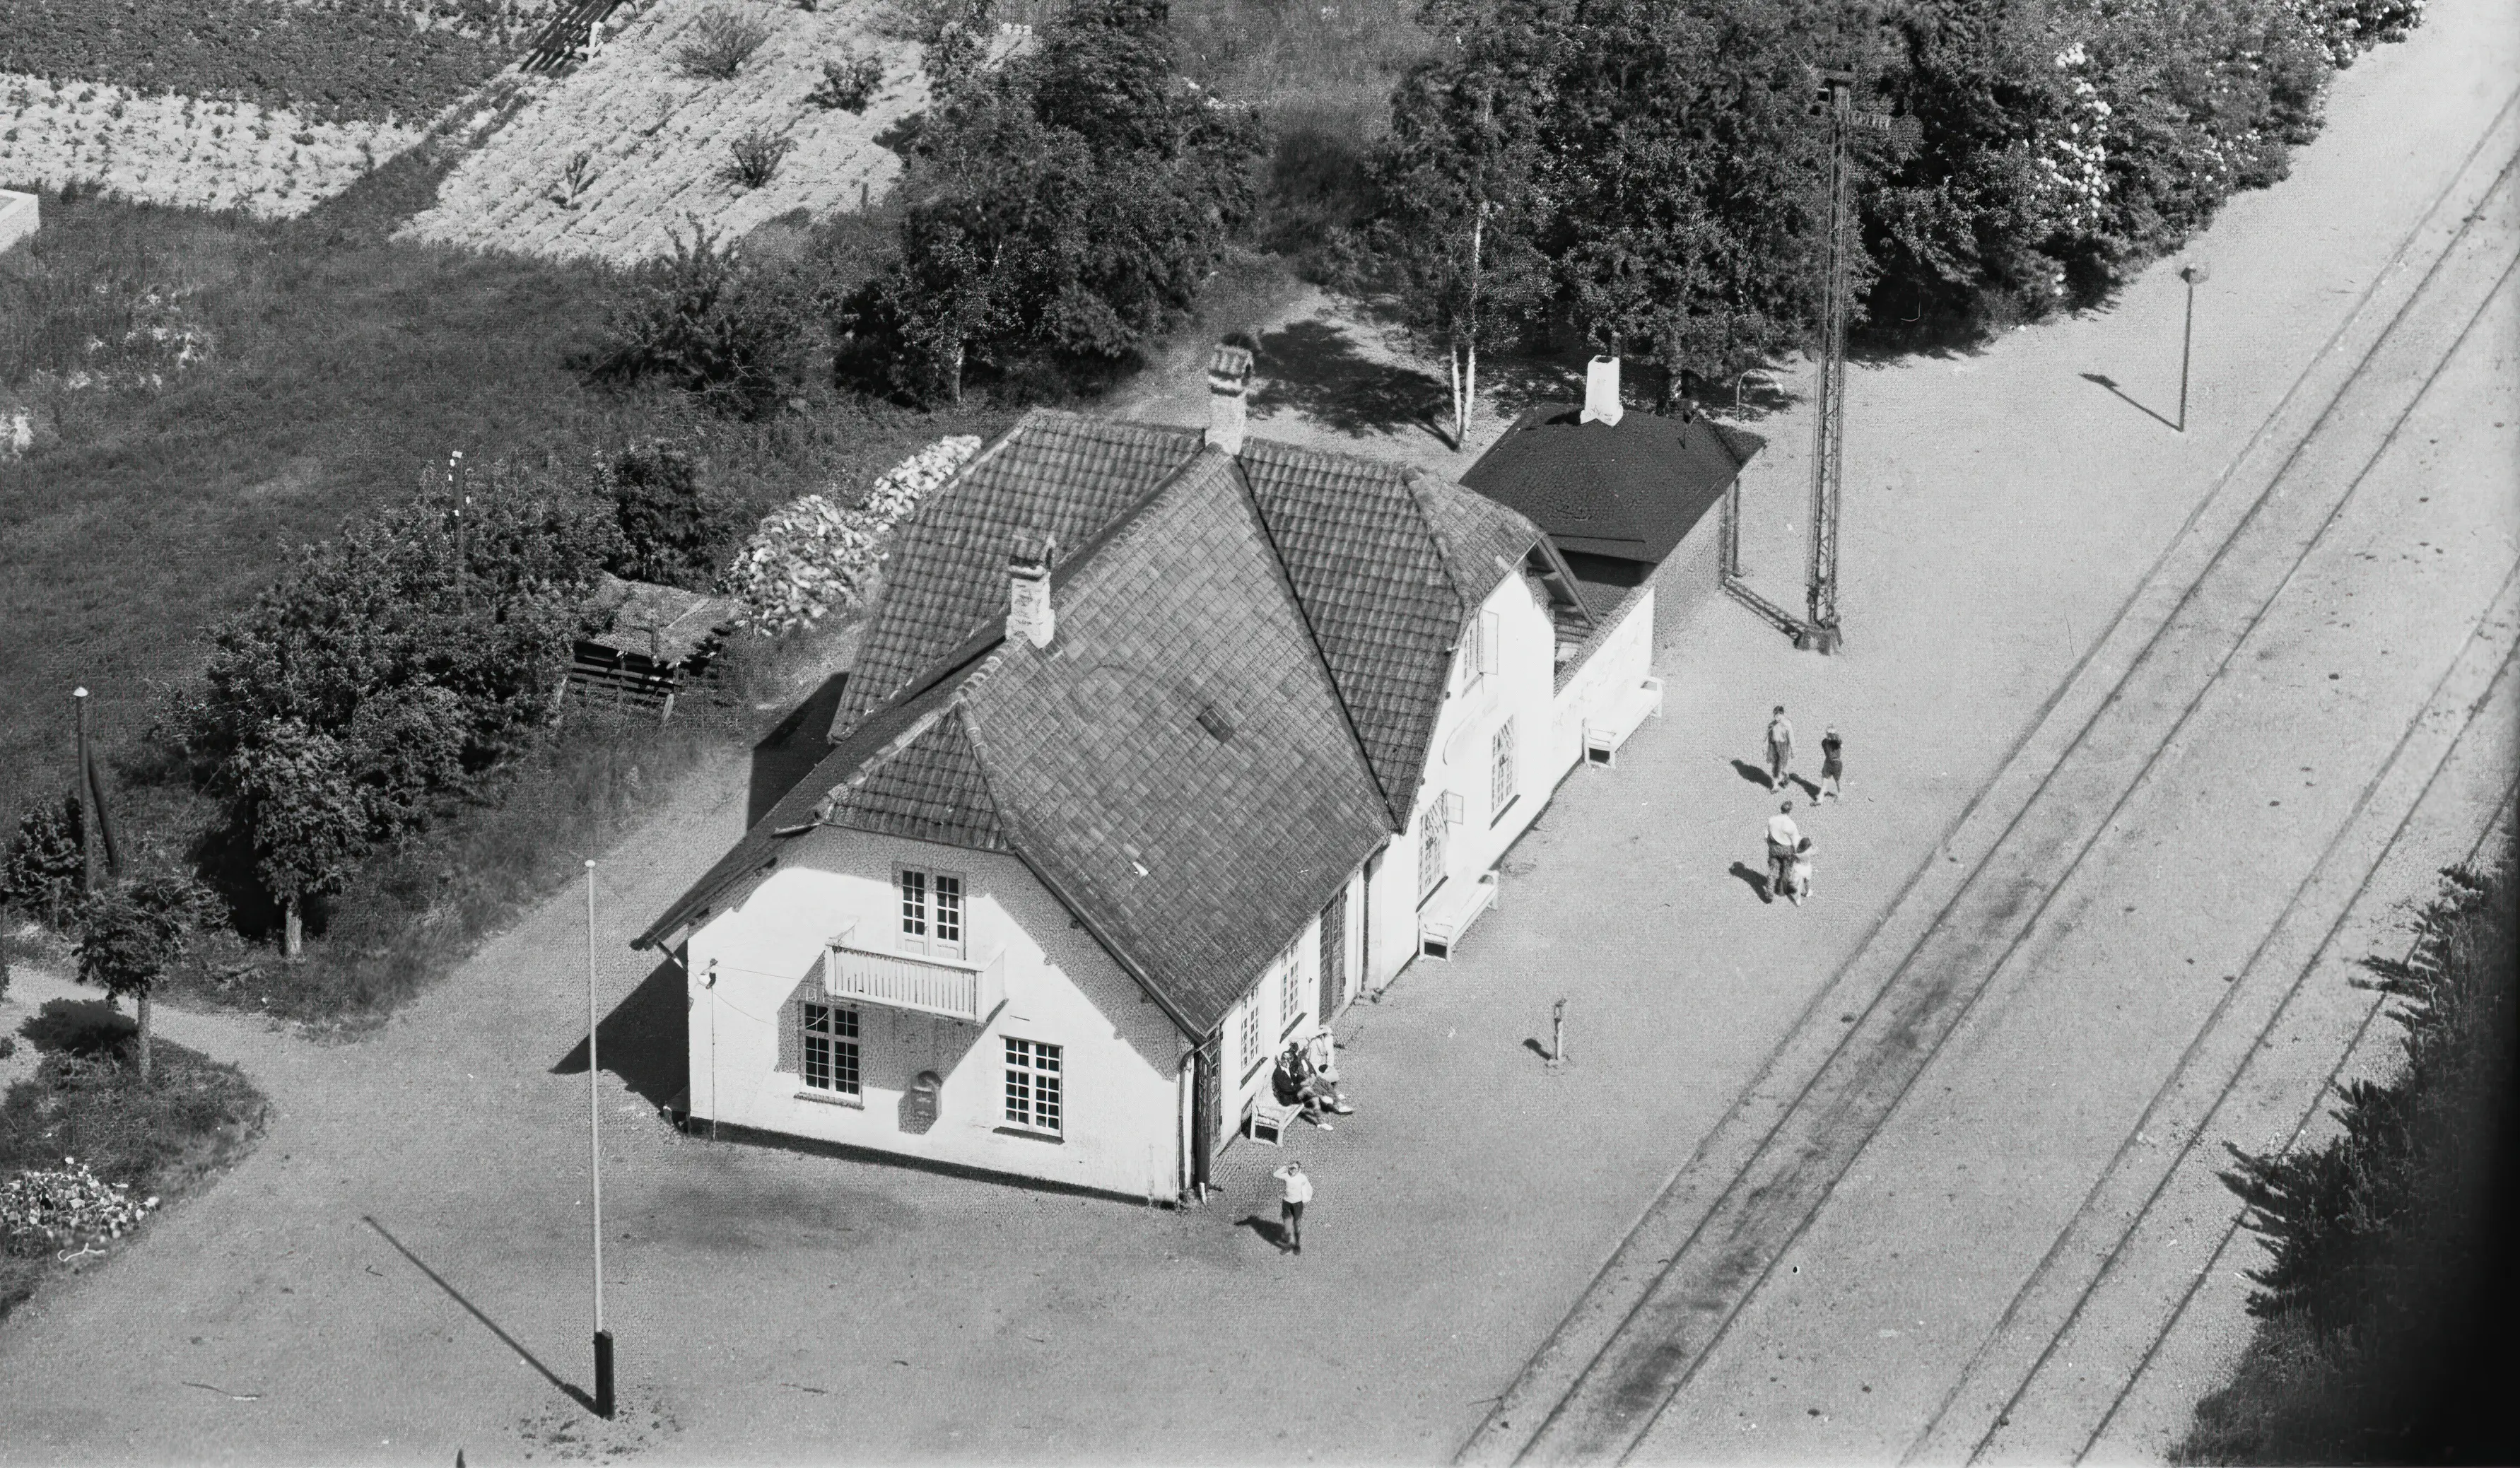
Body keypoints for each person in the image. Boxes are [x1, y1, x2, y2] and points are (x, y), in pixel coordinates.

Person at [1303, 1027, 1354, 1113]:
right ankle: (1338, 1105)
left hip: (1316, 1067)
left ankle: (1334, 1096)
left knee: (1333, 1077)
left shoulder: (1318, 1041)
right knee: (1326, 1084)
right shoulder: (1314, 1043)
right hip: (1313, 1069)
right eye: (1323, 1034)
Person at [1766, 799, 1801, 902]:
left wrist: (1770, 846)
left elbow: (1766, 835)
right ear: (1790, 810)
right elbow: (1795, 842)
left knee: (1773, 868)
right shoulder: (1791, 825)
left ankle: (1770, 889)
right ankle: (1781, 890)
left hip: (1774, 847)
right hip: (1786, 849)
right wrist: (1796, 853)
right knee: (1786, 870)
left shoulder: (1772, 820)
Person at [1273, 1161, 1312, 1254]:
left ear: (1299, 1170)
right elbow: (1276, 1174)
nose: (1292, 1170)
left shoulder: (1302, 1178)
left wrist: (1306, 1198)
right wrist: (1285, 1167)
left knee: (1296, 1225)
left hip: (1297, 1205)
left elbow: (1308, 1188)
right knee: (1287, 1227)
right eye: (1291, 1168)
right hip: (1287, 1204)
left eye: (1295, 1168)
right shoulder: (1286, 1175)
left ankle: (1297, 1245)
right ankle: (1288, 1245)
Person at [1766, 706, 1796, 791]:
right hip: (1774, 746)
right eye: (1776, 715)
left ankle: (1785, 778)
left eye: (1779, 715)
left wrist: (1793, 749)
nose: (1777, 717)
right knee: (1776, 766)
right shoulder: (1772, 725)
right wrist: (1767, 750)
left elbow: (1791, 737)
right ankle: (1775, 786)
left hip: (1784, 746)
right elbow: (1768, 737)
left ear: (1783, 715)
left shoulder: (1787, 724)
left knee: (1783, 766)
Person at [1787, 835, 1815, 905]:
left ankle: (1798, 900)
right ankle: (1808, 891)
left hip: (1799, 870)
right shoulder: (1810, 851)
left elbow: (1792, 861)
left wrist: (1790, 868)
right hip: (1807, 869)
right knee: (1807, 881)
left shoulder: (1797, 852)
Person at [1819, 725, 1844, 802]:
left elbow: (1826, 744)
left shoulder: (1824, 742)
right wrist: (1835, 736)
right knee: (1837, 781)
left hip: (1828, 762)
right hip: (1837, 763)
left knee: (1825, 779)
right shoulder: (1838, 743)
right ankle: (1839, 794)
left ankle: (1820, 798)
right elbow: (1840, 744)